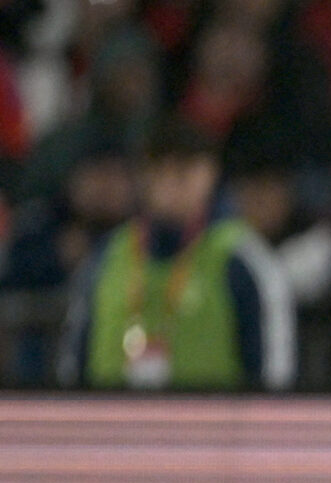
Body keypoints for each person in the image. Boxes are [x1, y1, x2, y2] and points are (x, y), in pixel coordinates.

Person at [59, 117, 294, 390]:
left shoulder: (242, 260)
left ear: (210, 174)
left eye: (183, 171)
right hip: (115, 431)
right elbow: (74, 358)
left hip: (211, 431)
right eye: (158, 171)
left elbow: (273, 374)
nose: (169, 184)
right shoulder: (107, 255)